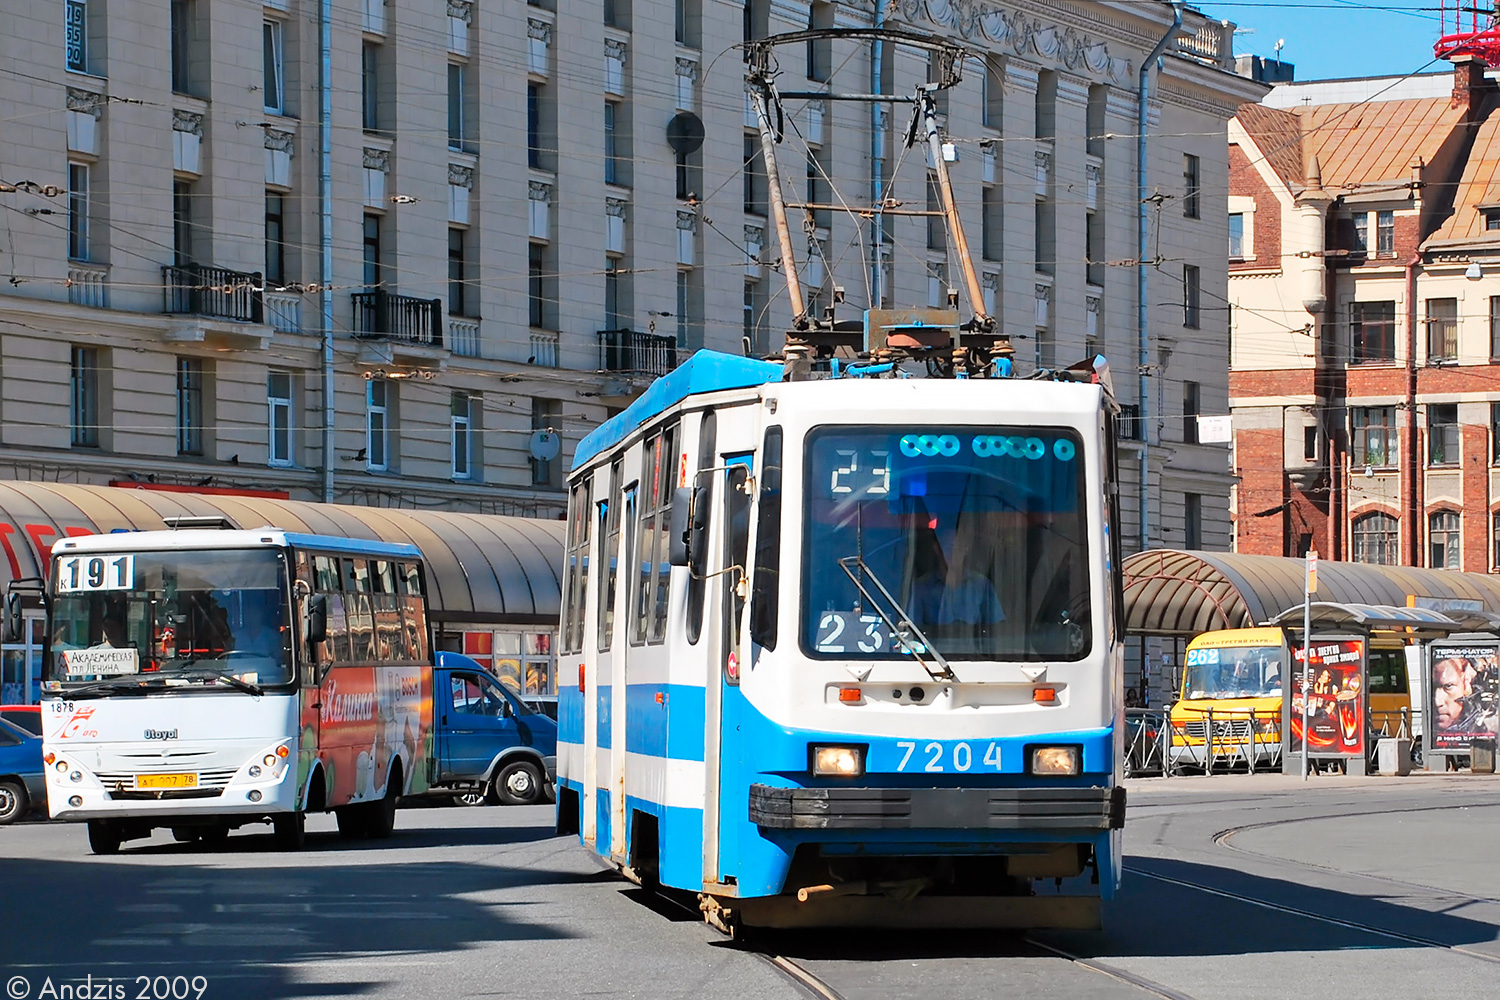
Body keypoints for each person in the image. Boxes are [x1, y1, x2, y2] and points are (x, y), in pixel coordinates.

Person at [1434, 655, 1482, 733]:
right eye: (1432, 688)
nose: (1437, 702)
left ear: (1466, 683)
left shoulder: (1485, 727)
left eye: (1448, 686)